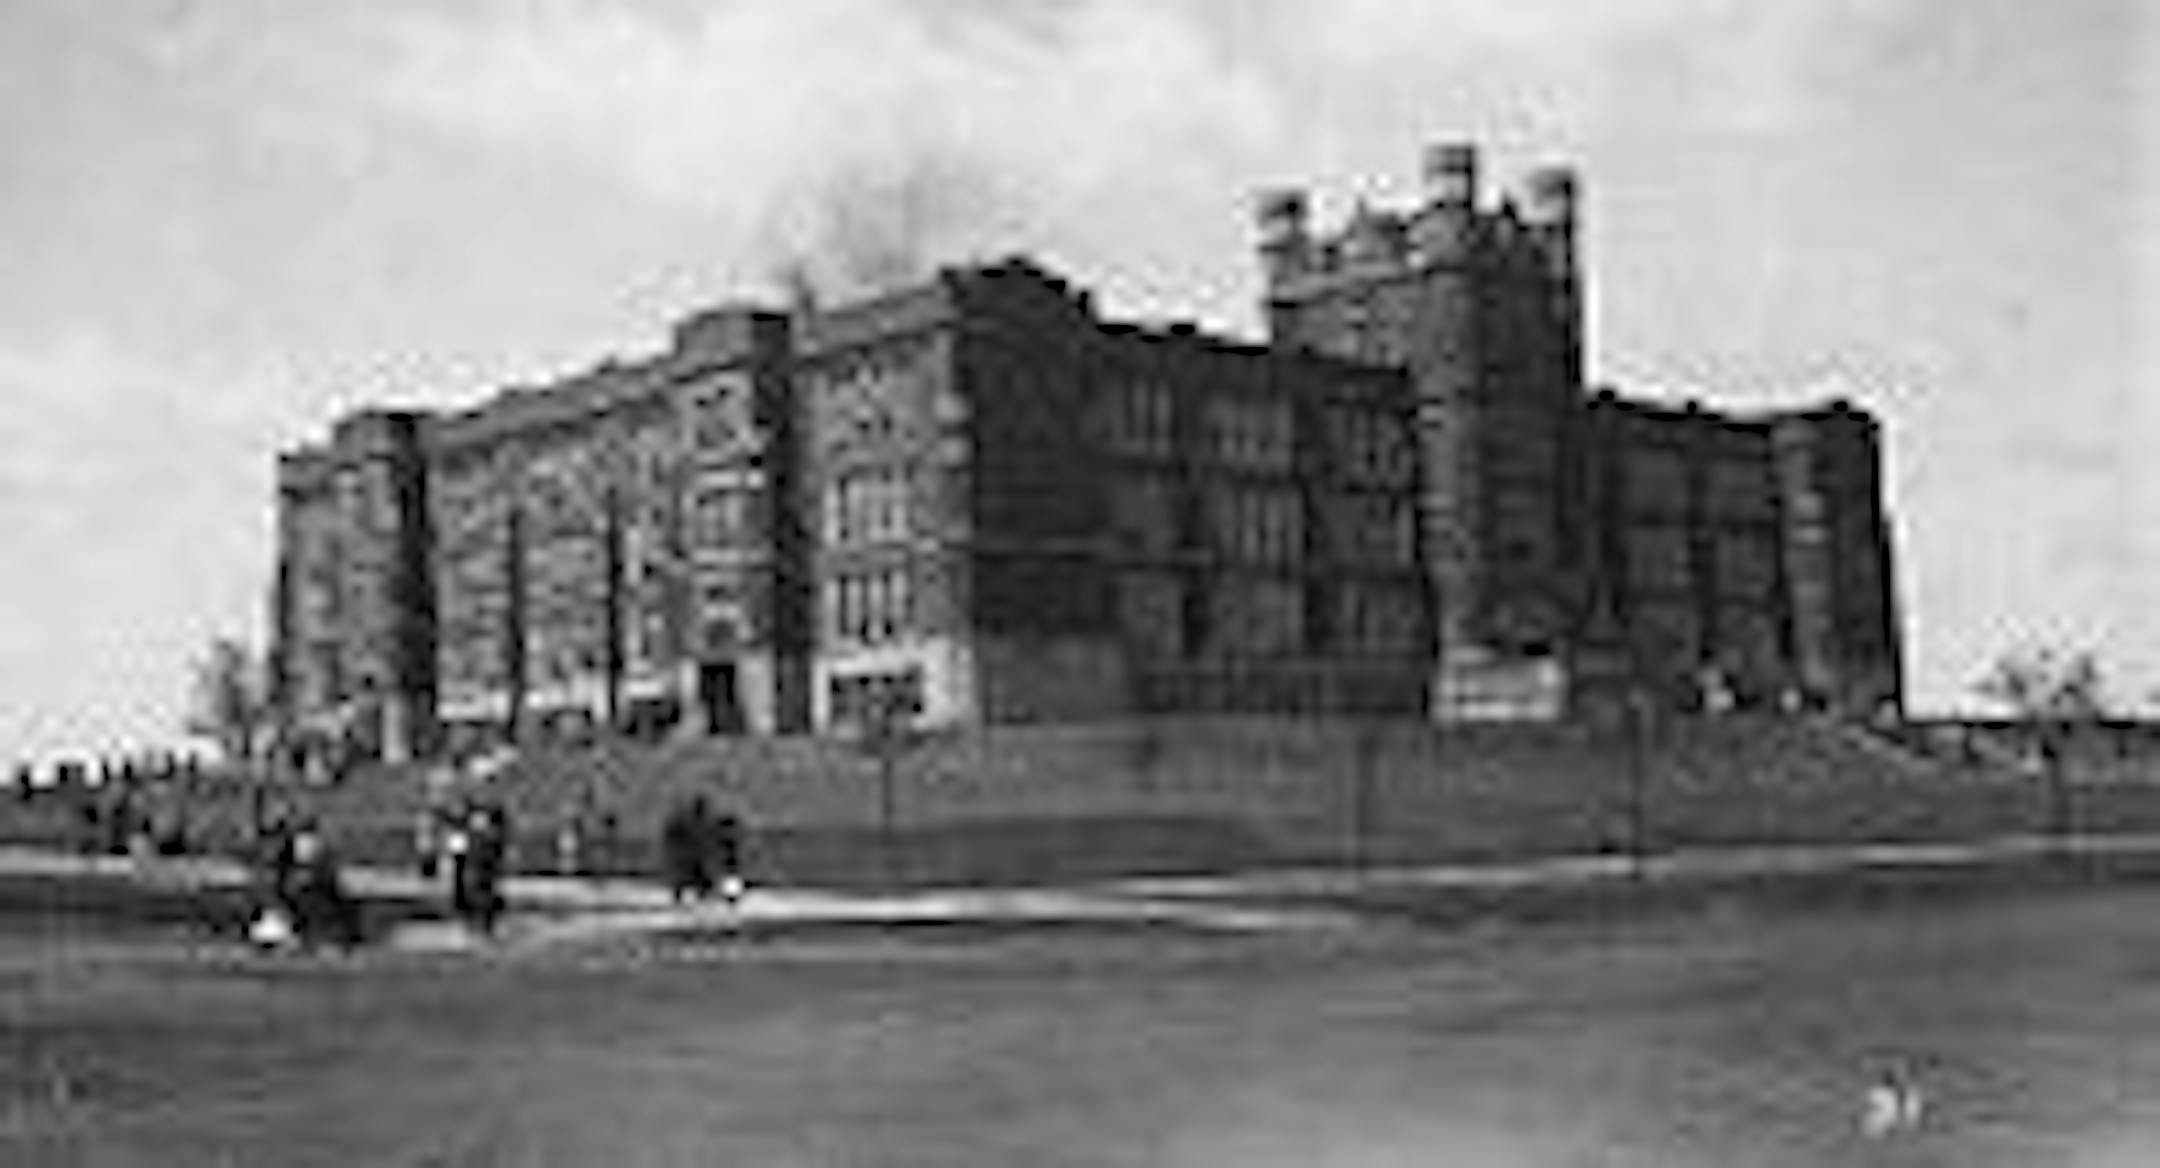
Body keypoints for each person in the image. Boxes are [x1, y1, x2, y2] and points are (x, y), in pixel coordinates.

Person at [661, 795, 714, 903]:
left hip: (694, 855)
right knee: (685, 877)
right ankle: (682, 897)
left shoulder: (701, 821)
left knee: (698, 877)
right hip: (689, 855)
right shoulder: (691, 821)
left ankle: (698, 896)